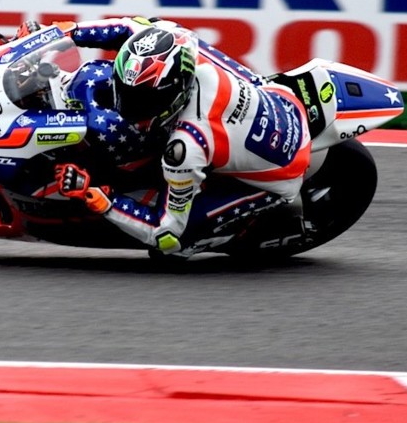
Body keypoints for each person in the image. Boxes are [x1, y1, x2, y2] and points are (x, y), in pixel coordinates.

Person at [49, 17, 311, 256]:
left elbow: (165, 229)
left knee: (172, 247)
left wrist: (98, 198)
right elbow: (127, 28)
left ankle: (212, 240)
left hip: (281, 172)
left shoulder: (185, 147)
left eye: (142, 102)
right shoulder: (174, 40)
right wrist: (66, 33)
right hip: (281, 98)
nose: (127, 108)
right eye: (124, 92)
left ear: (175, 93)